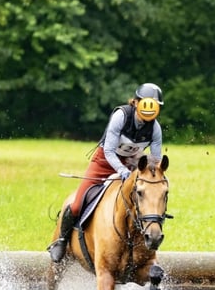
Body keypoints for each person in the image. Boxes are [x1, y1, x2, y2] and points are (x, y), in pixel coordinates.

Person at [47, 83, 165, 262]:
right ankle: (62, 240)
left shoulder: (155, 128)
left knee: (144, 204)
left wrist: (149, 175)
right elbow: (109, 151)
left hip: (132, 164)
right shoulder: (121, 116)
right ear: (136, 102)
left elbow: (155, 162)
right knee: (78, 204)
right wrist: (121, 170)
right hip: (104, 162)